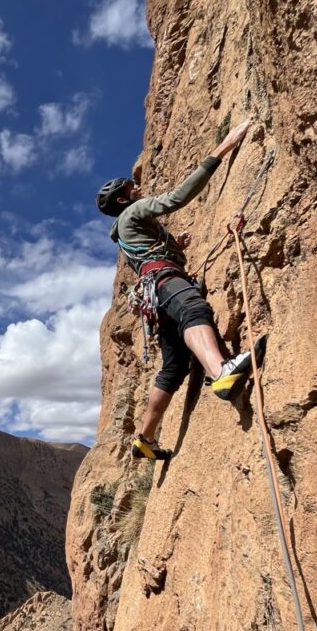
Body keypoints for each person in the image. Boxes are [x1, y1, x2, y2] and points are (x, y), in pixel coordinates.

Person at [95, 119, 266, 461]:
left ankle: (144, 439)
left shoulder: (127, 232)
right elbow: (176, 198)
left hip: (155, 295)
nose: (137, 189)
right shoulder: (134, 211)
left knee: (174, 368)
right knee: (194, 310)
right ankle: (221, 372)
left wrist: (175, 244)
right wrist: (223, 147)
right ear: (122, 198)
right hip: (165, 282)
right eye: (131, 188)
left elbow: (150, 252)